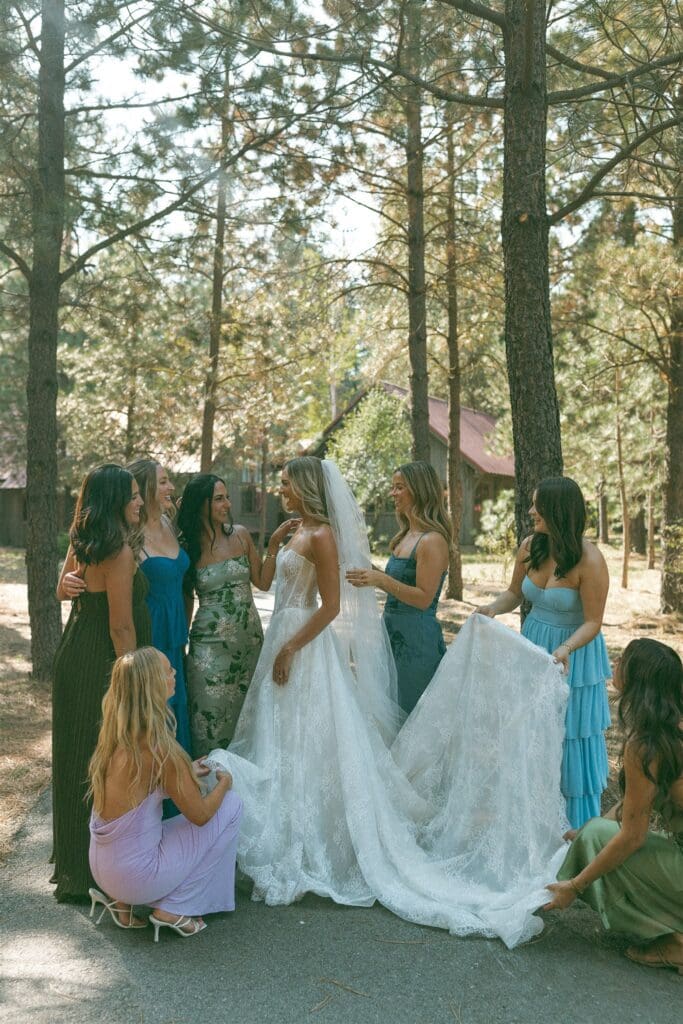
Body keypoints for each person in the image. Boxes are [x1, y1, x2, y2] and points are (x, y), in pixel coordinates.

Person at [205, 456, 570, 948]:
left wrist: (295, 644)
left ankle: (335, 832)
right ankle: (288, 818)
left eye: (288, 485)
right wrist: (272, 547)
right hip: (286, 637)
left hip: (315, 645)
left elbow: (336, 605)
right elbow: (271, 581)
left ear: (308, 487)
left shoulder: (329, 536)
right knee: (281, 735)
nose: (282, 491)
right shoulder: (301, 531)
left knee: (338, 735)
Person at [478, 477, 611, 829]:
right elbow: (513, 595)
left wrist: (565, 648)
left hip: (574, 657)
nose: (531, 511)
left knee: (568, 739)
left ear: (560, 512)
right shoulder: (529, 548)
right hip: (534, 650)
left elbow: (594, 621)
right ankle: (533, 825)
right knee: (532, 735)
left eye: (539, 506)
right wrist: (493, 608)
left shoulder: (590, 559)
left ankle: (574, 829)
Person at [544, 638, 683, 973]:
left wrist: (575, 886)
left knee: (598, 840)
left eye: (625, 659)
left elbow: (632, 837)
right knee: (594, 833)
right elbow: (635, 800)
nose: (616, 661)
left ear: (639, 681)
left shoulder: (648, 746)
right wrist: (594, 827)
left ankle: (677, 941)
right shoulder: (671, 729)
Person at [88, 647, 242, 940]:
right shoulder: (161, 750)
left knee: (136, 833)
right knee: (231, 807)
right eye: (168, 671)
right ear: (152, 686)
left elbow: (139, 792)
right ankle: (175, 906)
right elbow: (200, 815)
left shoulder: (114, 738)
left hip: (103, 871)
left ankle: (123, 905)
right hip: (137, 879)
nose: (174, 674)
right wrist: (224, 784)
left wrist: (185, 773)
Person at [53, 464, 152, 902]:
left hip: (75, 654)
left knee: (78, 754)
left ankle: (79, 866)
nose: (139, 500)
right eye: (132, 494)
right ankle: (98, 871)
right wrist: (136, 682)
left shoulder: (86, 540)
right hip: (103, 662)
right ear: (114, 500)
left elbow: (66, 589)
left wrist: (67, 585)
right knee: (101, 759)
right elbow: (121, 628)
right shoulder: (119, 552)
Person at [177, 474, 296, 757]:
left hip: (249, 644)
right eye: (219, 499)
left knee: (249, 722)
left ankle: (243, 794)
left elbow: (263, 583)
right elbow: (185, 603)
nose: (227, 504)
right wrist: (182, 651)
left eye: (227, 497)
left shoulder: (240, 535)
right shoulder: (186, 548)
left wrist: (274, 545)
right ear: (201, 504)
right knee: (209, 723)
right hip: (208, 649)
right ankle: (209, 794)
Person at [346, 461, 451, 714]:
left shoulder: (432, 540)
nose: (393, 493)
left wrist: (381, 580)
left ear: (419, 490)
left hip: (416, 641)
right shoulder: (405, 537)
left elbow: (424, 598)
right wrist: (362, 565)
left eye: (399, 487)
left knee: (411, 714)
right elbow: (399, 584)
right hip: (391, 634)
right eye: (393, 487)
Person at [126, 458, 191, 754]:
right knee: (154, 715)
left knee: (176, 713)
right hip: (150, 638)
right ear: (146, 487)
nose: (171, 487)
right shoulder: (130, 533)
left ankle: (179, 794)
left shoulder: (169, 523)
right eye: (163, 481)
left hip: (176, 638)